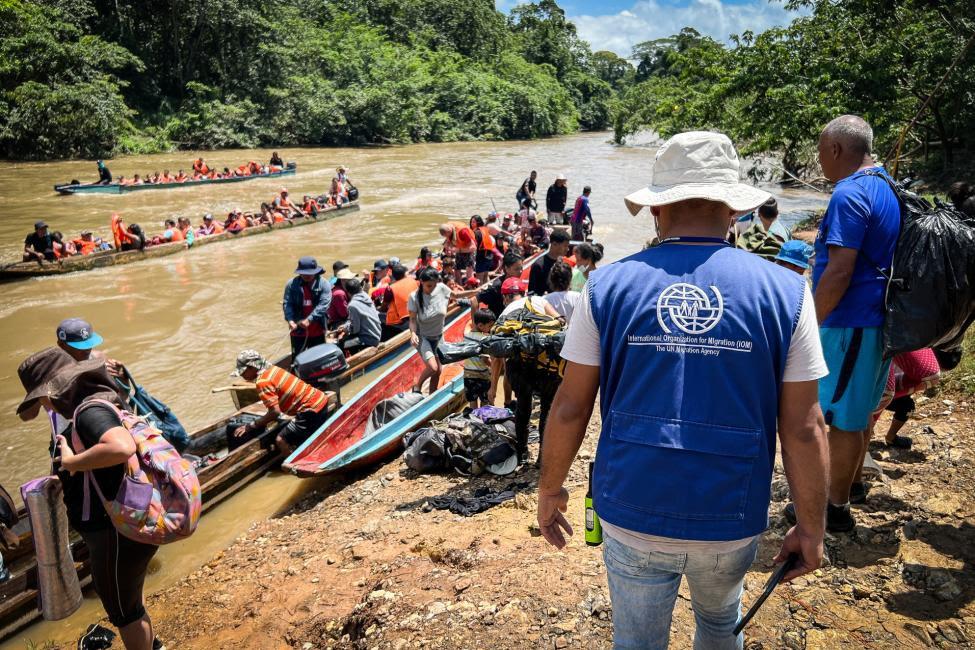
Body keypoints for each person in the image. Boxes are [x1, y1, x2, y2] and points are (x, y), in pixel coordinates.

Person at [538, 130, 829, 649]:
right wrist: (812, 527)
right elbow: (805, 427)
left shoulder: (605, 287)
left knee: (637, 640)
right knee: (720, 624)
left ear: (656, 212)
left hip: (632, 506)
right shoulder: (788, 292)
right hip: (730, 512)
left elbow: (569, 406)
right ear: (735, 211)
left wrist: (549, 488)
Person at [785, 115, 901, 533]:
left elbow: (838, 271)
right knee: (858, 412)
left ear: (834, 149)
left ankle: (832, 507)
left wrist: (809, 327)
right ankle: (847, 487)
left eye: (820, 153)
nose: (820, 163)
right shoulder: (887, 185)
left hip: (851, 320)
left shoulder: (849, 194)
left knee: (834, 417)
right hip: (876, 320)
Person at [17, 354, 163, 650]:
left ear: (53, 390)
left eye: (43, 398)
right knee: (129, 601)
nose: (45, 405)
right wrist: (68, 474)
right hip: (123, 524)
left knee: (125, 613)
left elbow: (120, 447)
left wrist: (72, 461)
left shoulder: (88, 412)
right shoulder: (96, 402)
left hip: (113, 531)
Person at [490, 277, 559, 463]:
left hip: (519, 367)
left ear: (505, 298)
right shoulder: (539, 300)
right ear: (524, 292)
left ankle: (522, 454)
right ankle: (542, 457)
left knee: (523, 407)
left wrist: (493, 386)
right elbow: (560, 323)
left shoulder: (504, 313)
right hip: (546, 365)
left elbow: (497, 356)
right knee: (547, 409)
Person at [232, 350, 330, 455]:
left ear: (252, 367)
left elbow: (275, 412)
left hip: (310, 409)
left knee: (280, 440)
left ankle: (293, 467)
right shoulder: (273, 369)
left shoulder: (262, 382)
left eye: (243, 371)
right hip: (321, 399)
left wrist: (251, 426)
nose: (242, 375)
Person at [408, 267, 456, 394]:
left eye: (434, 285)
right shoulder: (414, 297)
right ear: (421, 282)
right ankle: (417, 386)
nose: (432, 289)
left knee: (439, 370)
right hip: (423, 337)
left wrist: (476, 292)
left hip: (439, 336)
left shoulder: (441, 288)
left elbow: (456, 295)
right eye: (429, 286)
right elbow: (412, 320)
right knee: (433, 368)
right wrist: (412, 334)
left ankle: (432, 393)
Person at [283, 256, 331, 358]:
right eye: (304, 273)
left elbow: (323, 305)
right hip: (297, 331)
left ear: (316, 272)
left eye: (309, 273)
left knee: (318, 357)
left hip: (317, 329)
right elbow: (287, 304)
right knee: (297, 358)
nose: (306, 276)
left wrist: (309, 319)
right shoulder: (291, 285)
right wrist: (290, 320)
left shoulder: (324, 284)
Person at [464, 310, 497, 409]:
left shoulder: (466, 335)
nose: (491, 328)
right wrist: (494, 366)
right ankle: (482, 420)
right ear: (480, 325)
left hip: (468, 375)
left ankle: (474, 418)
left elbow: (468, 324)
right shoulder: (484, 339)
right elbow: (485, 360)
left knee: (472, 400)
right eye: (489, 326)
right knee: (484, 400)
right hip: (482, 376)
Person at [477, 251, 524, 318]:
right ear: (506, 268)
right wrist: (475, 326)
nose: (520, 272)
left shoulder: (517, 282)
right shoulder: (496, 286)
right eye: (516, 269)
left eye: (521, 268)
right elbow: (474, 300)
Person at [341, 278, 382, 355]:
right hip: (377, 333)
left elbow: (355, 330)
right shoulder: (365, 296)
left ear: (348, 292)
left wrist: (346, 329)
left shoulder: (352, 305)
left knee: (343, 344)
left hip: (369, 339)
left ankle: (356, 360)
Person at [528, 229, 570, 296]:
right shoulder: (538, 265)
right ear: (554, 244)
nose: (567, 249)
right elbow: (531, 293)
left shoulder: (563, 264)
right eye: (565, 246)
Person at [381, 264, 417, 341]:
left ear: (393, 276)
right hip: (418, 315)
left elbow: (384, 307)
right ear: (404, 274)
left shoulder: (390, 288)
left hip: (403, 322)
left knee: (380, 318)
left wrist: (378, 309)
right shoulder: (413, 281)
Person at [471, 214, 498, 284]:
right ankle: (487, 292)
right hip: (489, 257)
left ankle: (481, 294)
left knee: (479, 280)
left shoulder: (476, 233)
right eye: (471, 222)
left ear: (478, 222)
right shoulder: (485, 229)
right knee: (485, 278)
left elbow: (473, 247)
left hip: (481, 258)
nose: (471, 224)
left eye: (473, 222)